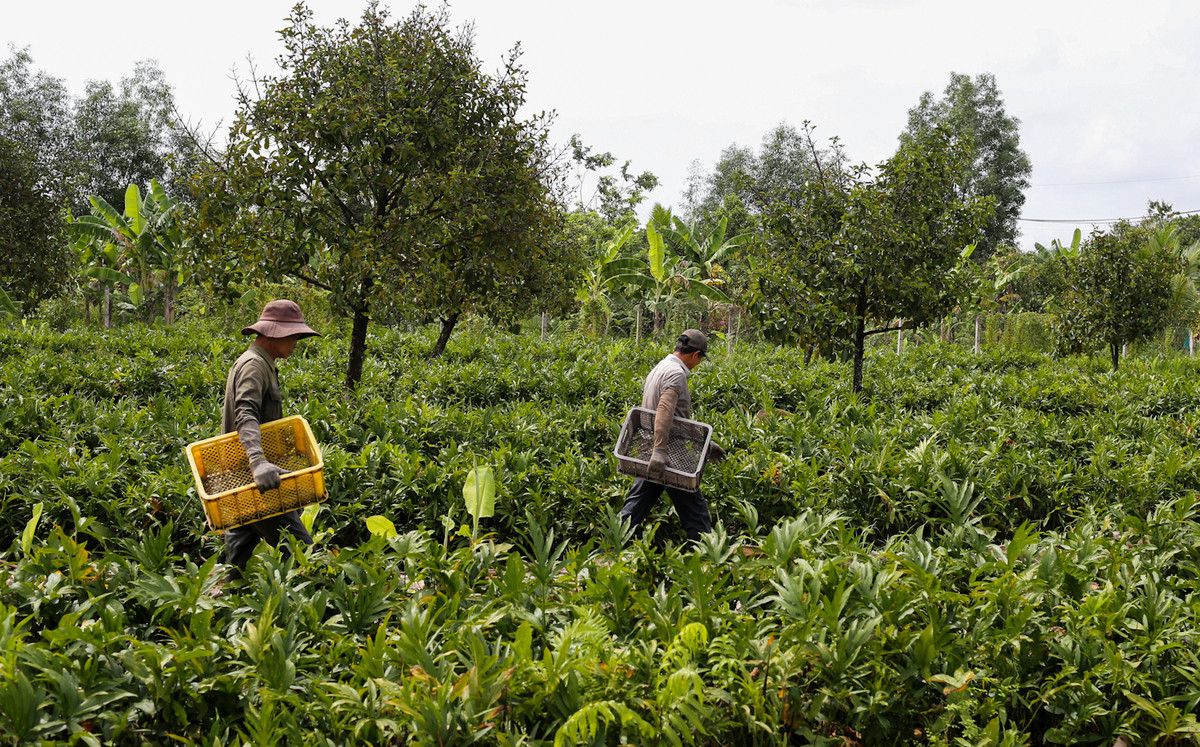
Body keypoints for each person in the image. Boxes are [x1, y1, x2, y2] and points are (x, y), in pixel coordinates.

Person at [221, 299, 321, 575]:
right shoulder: (254, 365)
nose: (297, 342)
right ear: (275, 333)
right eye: (294, 335)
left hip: (243, 477)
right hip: (255, 479)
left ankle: (232, 603)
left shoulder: (263, 363)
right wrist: (258, 462)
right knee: (300, 551)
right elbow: (246, 414)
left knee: (241, 551)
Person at [619, 329, 726, 544]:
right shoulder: (676, 374)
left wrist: (705, 444)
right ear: (696, 354)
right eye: (700, 359)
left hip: (651, 450)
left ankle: (608, 551)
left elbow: (677, 419)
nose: (698, 364)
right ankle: (705, 558)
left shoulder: (660, 367)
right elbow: (665, 411)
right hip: (669, 455)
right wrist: (660, 451)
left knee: (635, 507)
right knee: (695, 511)